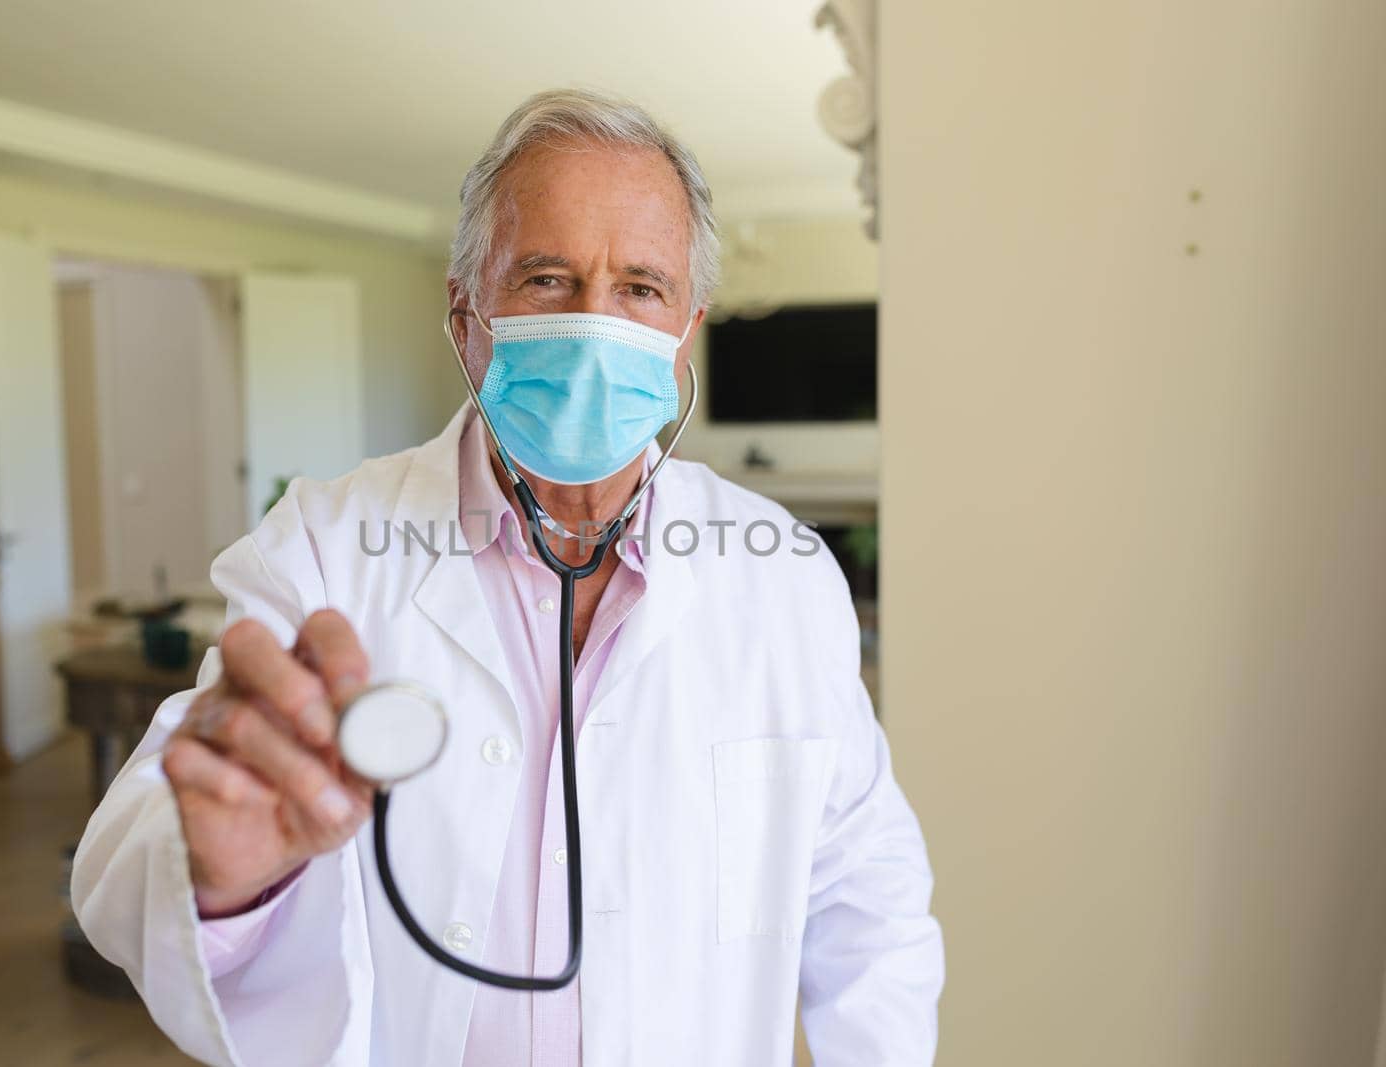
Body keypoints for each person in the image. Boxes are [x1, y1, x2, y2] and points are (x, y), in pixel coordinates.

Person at [72, 88, 943, 1067]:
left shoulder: (781, 575)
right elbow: (134, 851)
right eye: (546, 278)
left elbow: (868, 897)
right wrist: (226, 877)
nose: (593, 326)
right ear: (464, 313)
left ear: (683, 332)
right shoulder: (328, 544)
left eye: (639, 289)